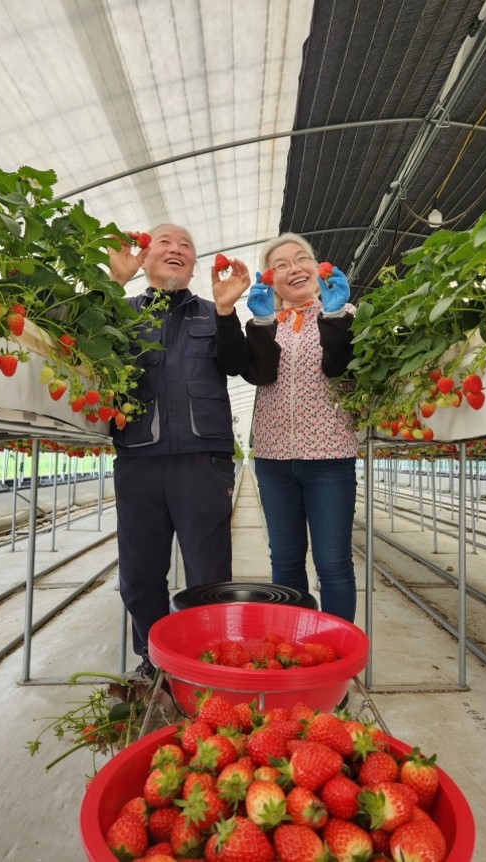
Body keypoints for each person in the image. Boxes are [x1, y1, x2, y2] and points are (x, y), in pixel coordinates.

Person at [108, 224, 250, 676]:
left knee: (209, 574)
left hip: (202, 461)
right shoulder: (121, 314)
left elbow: (236, 364)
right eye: (164, 243)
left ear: (193, 264)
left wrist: (227, 311)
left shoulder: (212, 313)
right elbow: (74, 339)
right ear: (144, 258)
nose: (176, 249)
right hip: (138, 458)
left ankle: (206, 664)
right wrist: (113, 282)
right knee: (138, 576)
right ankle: (153, 662)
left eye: (185, 245)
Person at [213, 232, 359, 623]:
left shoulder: (346, 314)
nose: (293, 268)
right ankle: (293, 645)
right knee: (286, 560)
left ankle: (337, 652)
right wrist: (260, 324)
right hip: (274, 461)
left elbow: (340, 368)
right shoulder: (266, 323)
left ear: (316, 267)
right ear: (271, 280)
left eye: (301, 259)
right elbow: (259, 374)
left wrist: (334, 318)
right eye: (280, 264)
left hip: (330, 459)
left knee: (333, 563)